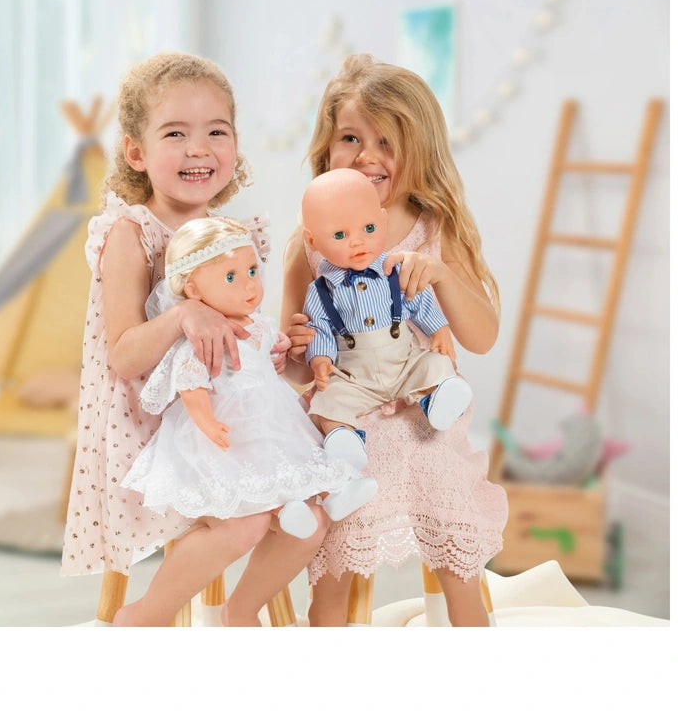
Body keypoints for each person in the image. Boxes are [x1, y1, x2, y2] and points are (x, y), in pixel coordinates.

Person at [61, 50, 328, 627]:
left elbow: (237, 340)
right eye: (175, 133)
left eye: (216, 132)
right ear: (136, 152)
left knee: (314, 514)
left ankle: (240, 611)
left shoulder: (232, 235)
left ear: (235, 144)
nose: (199, 149)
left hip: (229, 418)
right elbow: (123, 353)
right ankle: (145, 616)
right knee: (246, 522)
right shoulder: (132, 233)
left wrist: (275, 352)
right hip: (154, 425)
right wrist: (186, 314)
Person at [280, 53, 508, 627]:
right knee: (338, 537)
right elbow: (298, 372)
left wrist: (443, 277)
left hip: (423, 414)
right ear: (327, 149)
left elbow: (481, 337)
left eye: (387, 141)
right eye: (350, 138)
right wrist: (299, 350)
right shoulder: (309, 245)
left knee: (451, 520)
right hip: (350, 421)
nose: (368, 156)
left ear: (419, 149)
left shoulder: (436, 229)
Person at [121, 215, 377, 540]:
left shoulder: (259, 323)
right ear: (193, 289)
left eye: (253, 271)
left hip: (274, 408)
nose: (250, 285)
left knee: (296, 454)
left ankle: (335, 494)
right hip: (232, 413)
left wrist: (281, 349)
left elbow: (268, 352)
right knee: (253, 464)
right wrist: (207, 422)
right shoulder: (205, 336)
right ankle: (282, 508)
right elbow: (191, 382)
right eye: (231, 277)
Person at [300, 167, 473, 468]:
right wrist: (320, 359)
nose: (358, 242)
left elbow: (419, 300)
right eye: (340, 235)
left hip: (404, 363)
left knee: (435, 363)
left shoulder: (394, 270)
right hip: (355, 377)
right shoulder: (320, 290)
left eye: (368, 228)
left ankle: (438, 401)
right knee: (328, 400)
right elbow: (318, 327)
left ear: (382, 221)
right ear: (312, 240)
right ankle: (345, 439)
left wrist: (440, 329)